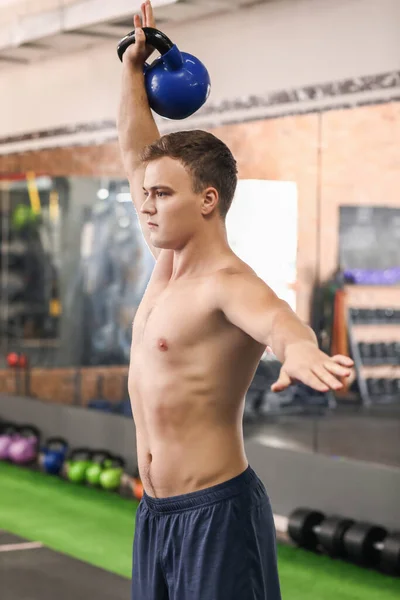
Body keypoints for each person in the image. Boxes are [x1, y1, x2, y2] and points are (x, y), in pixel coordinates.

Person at [117, 2, 354, 598]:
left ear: (207, 199)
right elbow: (135, 148)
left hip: (216, 516)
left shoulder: (227, 281)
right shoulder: (164, 267)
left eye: (162, 194)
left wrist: (300, 349)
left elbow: (277, 320)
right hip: (157, 515)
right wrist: (131, 73)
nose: (146, 203)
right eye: (145, 193)